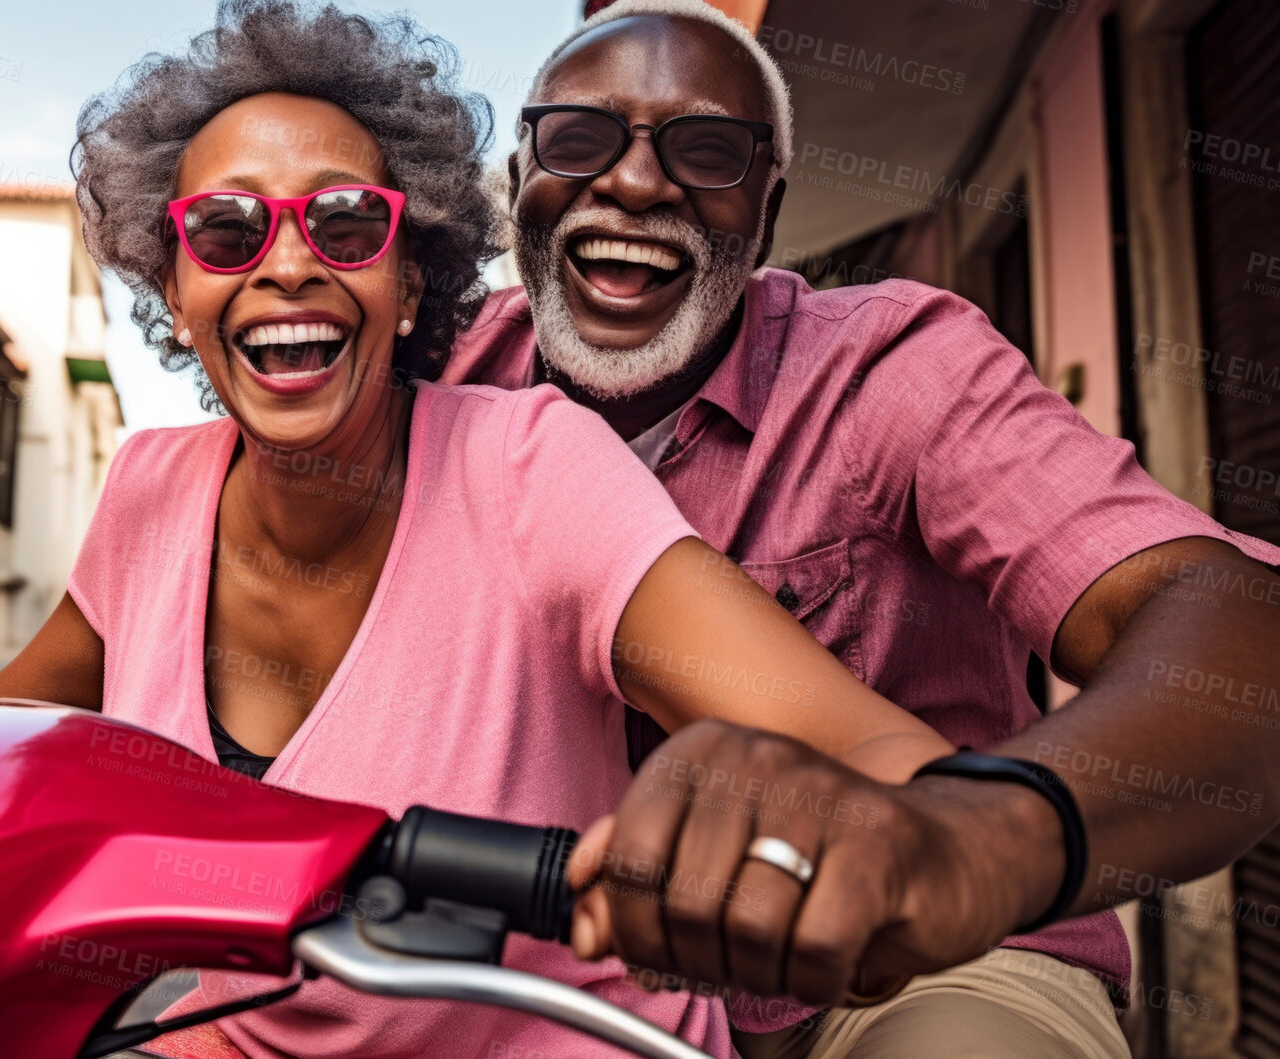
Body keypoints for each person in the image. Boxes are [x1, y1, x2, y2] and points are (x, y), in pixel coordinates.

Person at [0, 2, 960, 1056]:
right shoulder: (146, 497)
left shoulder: (530, 470)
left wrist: (778, 810)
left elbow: (876, 753)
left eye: (346, 223)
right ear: (175, 291)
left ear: (408, 281)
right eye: (227, 230)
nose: (288, 263)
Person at [444, 1, 1280, 1056]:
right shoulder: (438, 388)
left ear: (768, 209)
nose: (635, 182)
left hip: (911, 966)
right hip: (546, 986)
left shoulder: (892, 371)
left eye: (705, 150)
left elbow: (1226, 625)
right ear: (520, 181)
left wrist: (972, 836)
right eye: (577, 138)